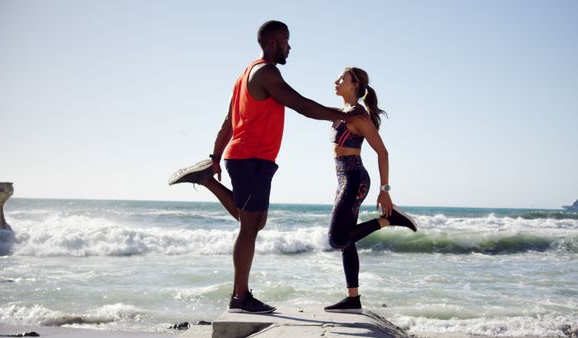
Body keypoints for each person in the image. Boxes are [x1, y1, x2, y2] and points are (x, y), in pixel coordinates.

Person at [170, 20, 363, 314]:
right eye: (286, 41)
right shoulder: (266, 73)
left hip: (252, 158)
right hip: (251, 158)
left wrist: (215, 155)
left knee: (255, 222)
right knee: (249, 227)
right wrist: (340, 114)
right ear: (272, 42)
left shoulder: (245, 74)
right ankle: (239, 297)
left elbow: (227, 121)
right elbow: (300, 104)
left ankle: (207, 179)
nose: (289, 47)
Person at [323, 67, 417, 314]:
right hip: (343, 179)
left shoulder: (359, 117)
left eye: (341, 78)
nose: (336, 81)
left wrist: (385, 190)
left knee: (336, 239)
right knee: (347, 241)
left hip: (354, 179)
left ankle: (387, 220)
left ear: (354, 84)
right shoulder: (341, 113)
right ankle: (352, 298)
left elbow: (383, 152)